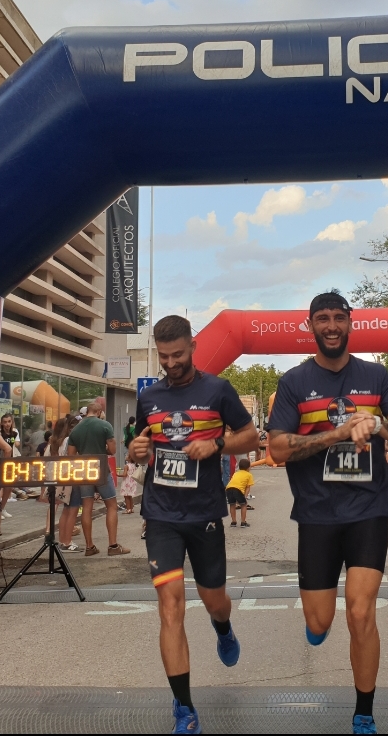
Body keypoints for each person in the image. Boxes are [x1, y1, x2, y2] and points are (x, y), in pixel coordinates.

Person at [267, 292, 388, 735]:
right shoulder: (294, 382)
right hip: (317, 513)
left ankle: (364, 712)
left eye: (339, 317)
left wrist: (378, 424)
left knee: (360, 612)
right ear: (310, 326)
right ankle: (316, 625)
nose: (331, 326)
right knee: (320, 620)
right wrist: (335, 434)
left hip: (367, 509)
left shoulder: (374, 375)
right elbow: (277, 448)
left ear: (351, 322)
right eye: (323, 319)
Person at [128, 314, 258, 734]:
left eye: (178, 355)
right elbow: (138, 447)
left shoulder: (217, 390)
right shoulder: (149, 397)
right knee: (170, 607)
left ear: (193, 347)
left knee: (214, 599)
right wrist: (135, 450)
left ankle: (224, 628)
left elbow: (251, 437)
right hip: (161, 515)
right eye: (163, 356)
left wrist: (216, 443)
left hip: (203, 515)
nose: (171, 363)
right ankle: (184, 709)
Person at [61, 397, 130, 557]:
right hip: (101, 468)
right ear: (99, 412)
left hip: (84, 470)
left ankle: (89, 546)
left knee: (87, 507)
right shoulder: (105, 425)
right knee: (111, 505)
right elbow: (112, 450)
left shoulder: (76, 429)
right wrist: (102, 448)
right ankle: (113, 545)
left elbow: (71, 455)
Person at [0, 413, 22, 514]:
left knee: (8, 486)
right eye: (5, 422)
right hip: (0, 461)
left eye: (9, 421)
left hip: (10, 462)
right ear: (1, 423)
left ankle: (2, 508)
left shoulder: (14, 433)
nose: (7, 424)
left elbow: (16, 444)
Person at [225, 458, 254, 527]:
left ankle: (233, 522)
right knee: (244, 504)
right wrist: (245, 496)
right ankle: (243, 522)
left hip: (228, 489)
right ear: (248, 468)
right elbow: (248, 487)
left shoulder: (236, 473)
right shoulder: (249, 475)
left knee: (232, 504)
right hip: (238, 490)